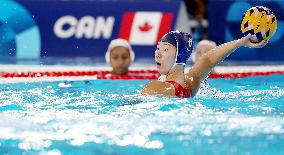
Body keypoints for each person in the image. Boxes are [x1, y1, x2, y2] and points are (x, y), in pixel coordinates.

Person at [141, 30, 267, 98]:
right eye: (158, 48)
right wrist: (239, 43)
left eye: (165, 49)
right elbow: (208, 59)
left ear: (179, 56)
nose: (157, 53)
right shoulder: (190, 84)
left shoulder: (154, 88)